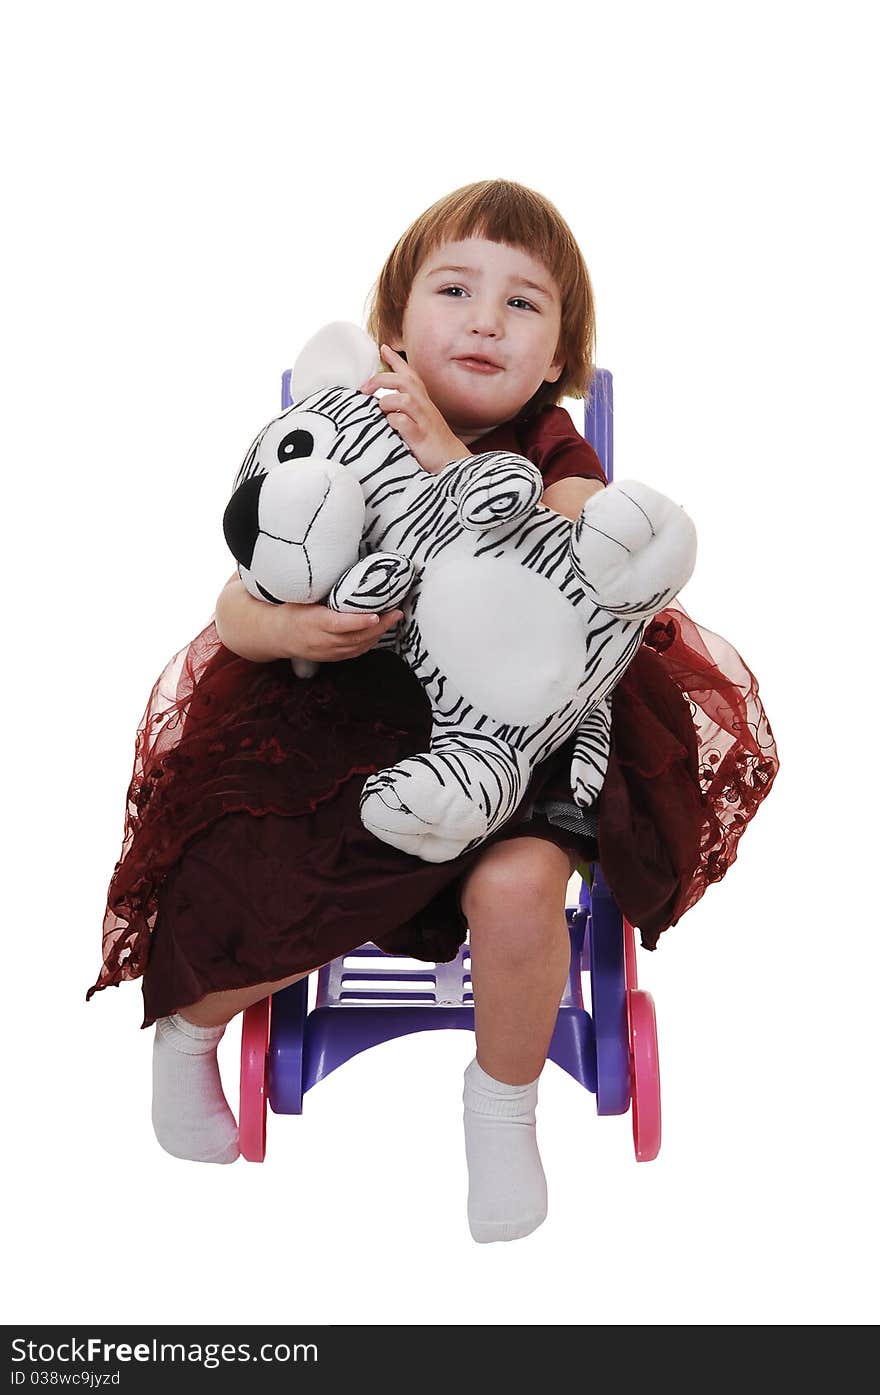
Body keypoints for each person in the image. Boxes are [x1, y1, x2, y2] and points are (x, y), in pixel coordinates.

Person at [87, 180, 778, 1244]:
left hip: (523, 733)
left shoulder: (552, 450)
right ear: (394, 330)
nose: (486, 319)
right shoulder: (343, 426)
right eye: (455, 290)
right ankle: (188, 1032)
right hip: (346, 729)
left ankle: (500, 1106)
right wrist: (288, 632)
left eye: (523, 304)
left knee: (518, 885)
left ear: (559, 360)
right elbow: (243, 590)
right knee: (264, 869)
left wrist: (460, 472)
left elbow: (579, 555)